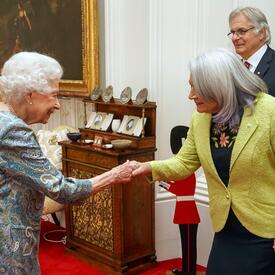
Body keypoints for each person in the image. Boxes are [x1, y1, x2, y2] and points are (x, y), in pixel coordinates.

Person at [129, 48, 275, 274]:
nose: (190, 95)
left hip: (265, 232)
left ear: (219, 85)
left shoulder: (269, 112)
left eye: (196, 88)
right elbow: (184, 163)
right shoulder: (202, 118)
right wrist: (145, 167)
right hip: (226, 229)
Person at [0, 52, 133, 274]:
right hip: (10, 247)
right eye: (54, 95)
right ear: (31, 94)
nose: (59, 105)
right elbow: (62, 190)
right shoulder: (14, 131)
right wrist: (114, 175)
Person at [228, 6, 275, 96]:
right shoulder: (233, 69)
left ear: (262, 33)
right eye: (233, 32)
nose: (234, 38)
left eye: (242, 31)